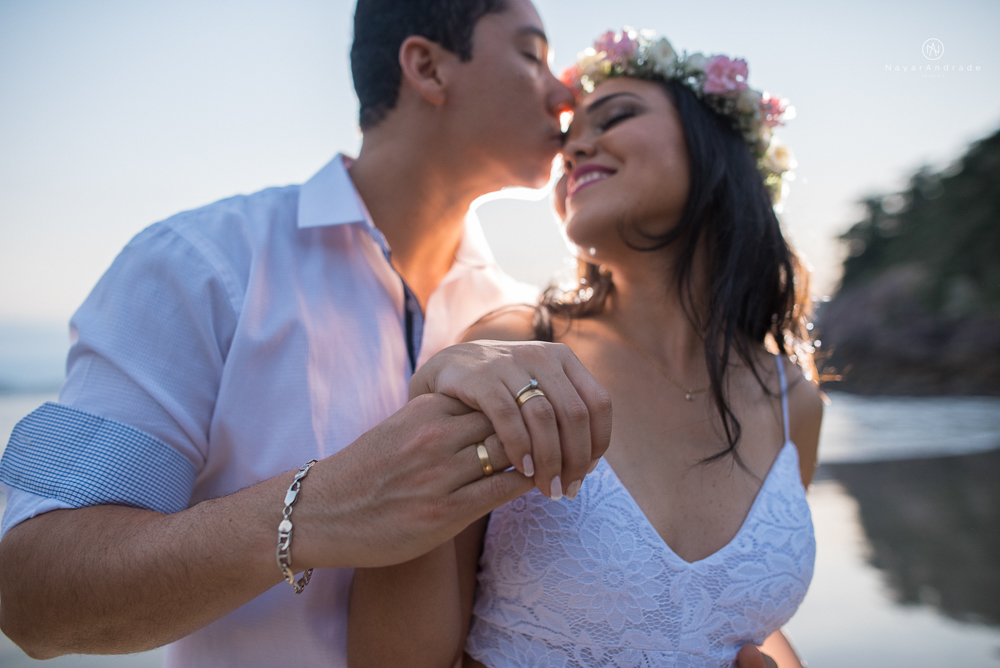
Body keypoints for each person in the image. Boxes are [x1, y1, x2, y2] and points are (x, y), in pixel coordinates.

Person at [0, 1, 614, 665]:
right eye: (532, 55)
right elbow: (30, 592)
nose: (565, 92)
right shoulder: (199, 265)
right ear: (427, 66)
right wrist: (322, 509)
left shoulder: (527, 323)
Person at [347, 28, 823, 668]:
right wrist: (429, 413)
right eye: (568, 143)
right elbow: (392, 660)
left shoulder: (795, 402)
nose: (575, 151)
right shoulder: (514, 351)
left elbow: (738, 625)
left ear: (718, 148)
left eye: (617, 116)